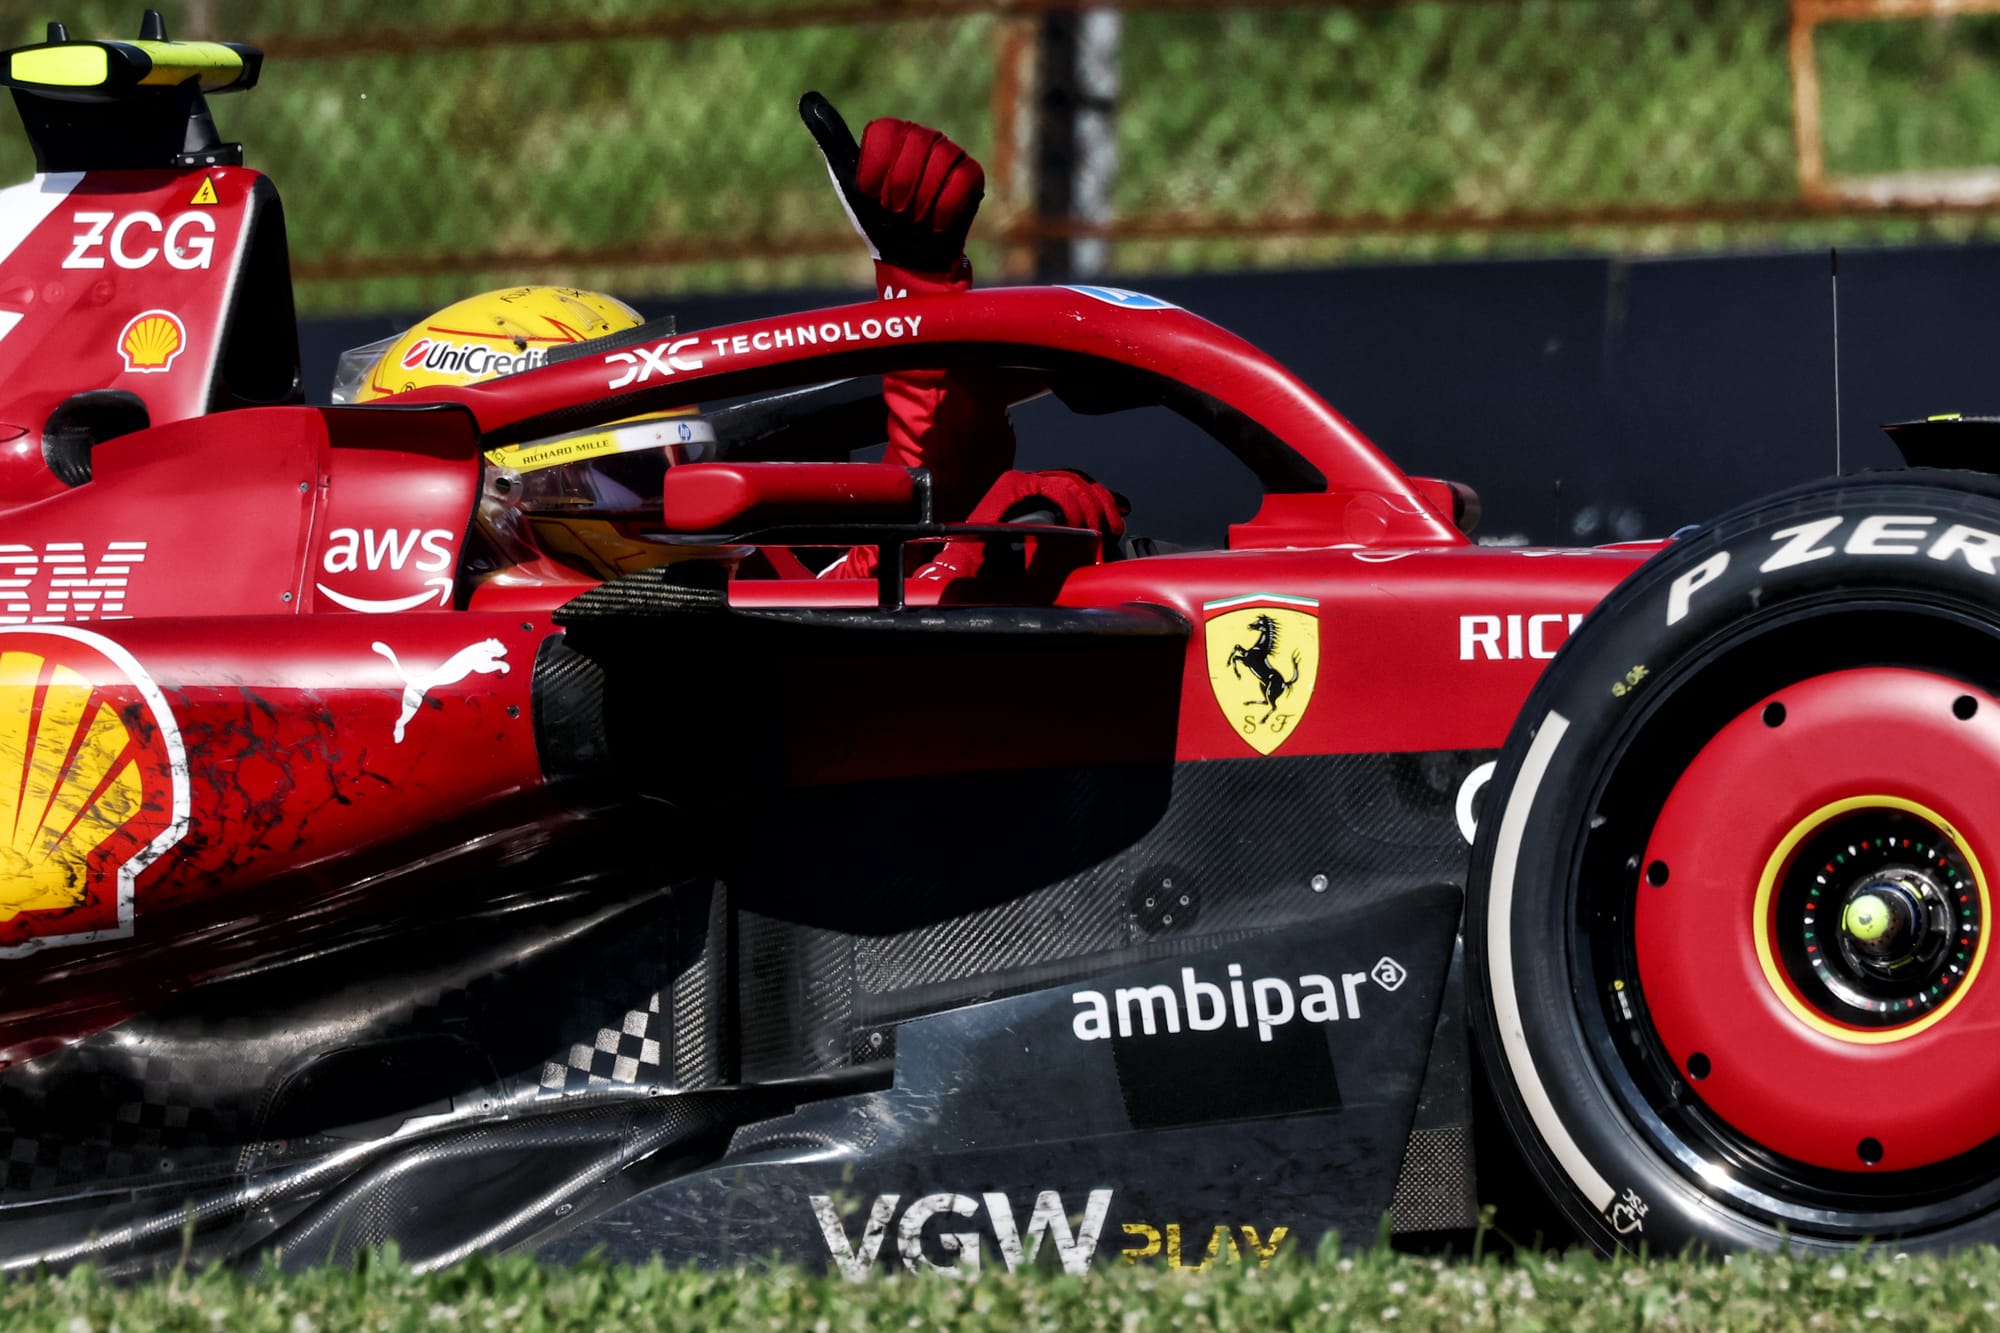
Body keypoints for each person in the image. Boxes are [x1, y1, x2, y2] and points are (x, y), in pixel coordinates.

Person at [333, 96, 1125, 583]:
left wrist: (921, 293)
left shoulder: (706, 589)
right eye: (626, 470)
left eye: (669, 454)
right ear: (494, 499)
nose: (673, 485)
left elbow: (879, 568)